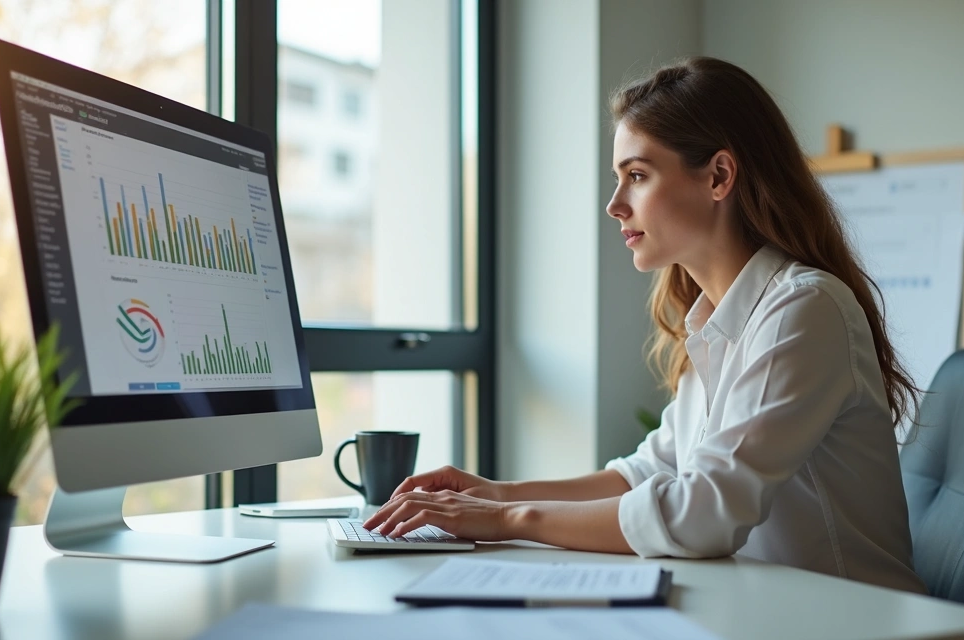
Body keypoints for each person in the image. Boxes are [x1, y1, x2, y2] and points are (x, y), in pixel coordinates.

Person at [363, 56, 927, 594]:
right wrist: (492, 493)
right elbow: (646, 473)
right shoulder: (717, 319)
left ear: (719, 176)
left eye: (637, 175)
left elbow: (703, 515)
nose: (614, 204)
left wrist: (507, 516)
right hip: (763, 609)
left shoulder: (805, 310)